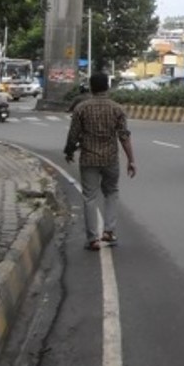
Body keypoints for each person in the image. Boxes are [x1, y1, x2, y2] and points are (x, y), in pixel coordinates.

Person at [64, 72, 136, 251]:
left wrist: (69, 151)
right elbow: (124, 137)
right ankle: (109, 232)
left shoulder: (81, 108)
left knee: (89, 196)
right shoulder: (117, 109)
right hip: (111, 158)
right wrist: (131, 160)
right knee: (111, 192)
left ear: (91, 87)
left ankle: (92, 239)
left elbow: (73, 135)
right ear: (108, 87)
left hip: (88, 158)